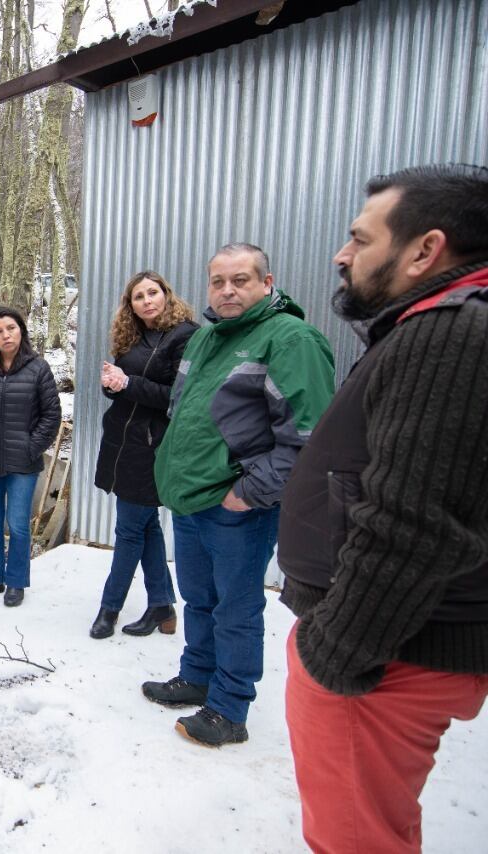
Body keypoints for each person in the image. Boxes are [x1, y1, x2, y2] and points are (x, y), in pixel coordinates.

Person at [278, 164, 488, 853]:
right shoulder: (434, 327)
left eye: (359, 239)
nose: (342, 255)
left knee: (356, 842)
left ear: (425, 250)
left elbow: (416, 522)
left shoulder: (451, 334)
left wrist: (335, 652)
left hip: (384, 659)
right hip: (390, 645)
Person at [143, 243, 335, 747]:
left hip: (236, 510)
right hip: (190, 501)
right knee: (200, 599)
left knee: (236, 608)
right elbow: (183, 414)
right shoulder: (206, 339)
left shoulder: (291, 339)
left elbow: (308, 439)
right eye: (218, 281)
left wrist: (248, 494)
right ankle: (198, 676)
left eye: (241, 280)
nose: (227, 290)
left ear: (267, 283)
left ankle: (229, 708)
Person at [91, 271, 198, 639]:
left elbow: (179, 396)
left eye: (153, 293)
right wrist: (113, 384)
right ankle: (162, 606)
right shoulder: (130, 336)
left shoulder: (186, 336)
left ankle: (109, 608)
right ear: (130, 304)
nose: (147, 301)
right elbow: (125, 388)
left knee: (129, 531)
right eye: (139, 296)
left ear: (166, 295)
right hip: (121, 440)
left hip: (152, 446)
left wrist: (129, 383)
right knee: (146, 526)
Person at [0, 307, 62, 608]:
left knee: (17, 525)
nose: (6, 335)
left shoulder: (38, 368)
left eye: (11, 328)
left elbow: (52, 415)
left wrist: (32, 447)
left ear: (21, 330)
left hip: (24, 464)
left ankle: (16, 581)